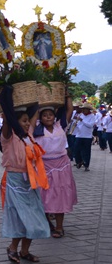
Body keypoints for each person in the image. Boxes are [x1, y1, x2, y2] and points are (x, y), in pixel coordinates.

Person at [0, 104, 50, 264]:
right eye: (24, 121)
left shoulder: (28, 135)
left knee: (34, 216)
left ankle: (25, 250)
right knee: (20, 217)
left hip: (30, 181)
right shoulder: (8, 137)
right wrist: (6, 103)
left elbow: (35, 112)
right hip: (15, 181)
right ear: (15, 122)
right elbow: (7, 122)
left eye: (28, 120)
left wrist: (37, 100)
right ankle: (13, 248)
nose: (28, 124)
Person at [35, 100, 78, 238]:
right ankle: (48, 224)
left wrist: (67, 96)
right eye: (44, 115)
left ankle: (59, 227)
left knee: (60, 196)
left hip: (61, 166)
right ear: (40, 118)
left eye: (50, 114)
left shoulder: (61, 126)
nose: (48, 117)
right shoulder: (36, 128)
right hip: (44, 166)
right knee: (44, 196)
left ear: (55, 116)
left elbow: (69, 110)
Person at [74, 102, 95, 170]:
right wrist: (76, 124)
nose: (83, 110)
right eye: (83, 109)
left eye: (85, 109)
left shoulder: (92, 116)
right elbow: (79, 124)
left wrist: (82, 120)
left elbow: (90, 125)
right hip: (79, 135)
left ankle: (86, 165)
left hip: (87, 136)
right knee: (76, 149)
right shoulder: (81, 115)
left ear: (88, 109)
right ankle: (79, 161)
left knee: (86, 151)